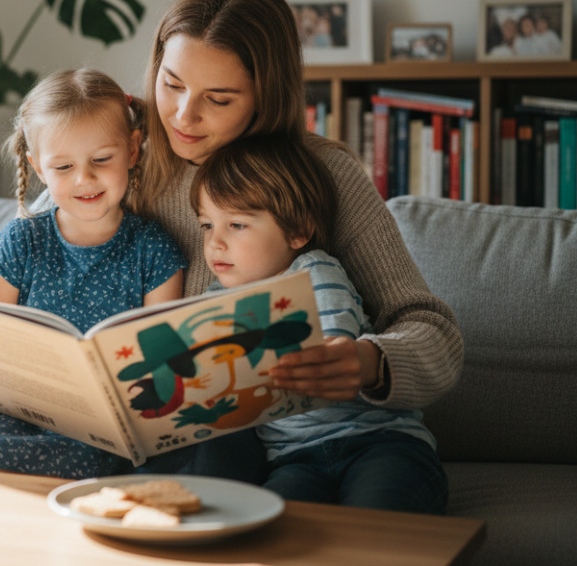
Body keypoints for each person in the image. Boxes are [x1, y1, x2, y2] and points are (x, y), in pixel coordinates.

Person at [0, 0, 463, 466]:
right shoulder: (116, 153)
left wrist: (370, 362)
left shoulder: (319, 174)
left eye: (217, 99)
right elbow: (34, 257)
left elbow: (429, 328)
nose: (181, 116)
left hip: (256, 448)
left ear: (264, 97)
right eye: (171, 84)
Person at [0, 67, 187, 479]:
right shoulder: (21, 241)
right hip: (10, 415)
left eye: (102, 160)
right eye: (63, 167)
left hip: (101, 429)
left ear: (133, 149)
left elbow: (162, 359)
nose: (84, 179)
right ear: (37, 167)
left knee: (110, 467)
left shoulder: (153, 250)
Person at [191, 135, 447, 513]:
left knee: (378, 514)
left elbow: (329, 348)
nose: (216, 243)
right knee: (277, 526)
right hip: (293, 458)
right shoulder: (212, 303)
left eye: (237, 225)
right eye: (207, 225)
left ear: (297, 231)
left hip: (379, 442)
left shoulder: (314, 272)